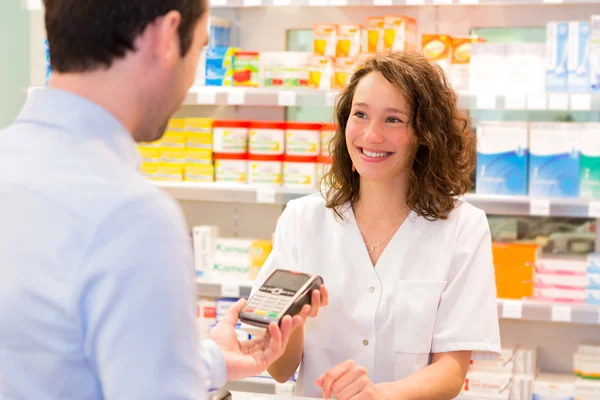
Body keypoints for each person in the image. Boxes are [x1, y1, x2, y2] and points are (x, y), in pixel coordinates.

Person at [0, 0, 319, 399]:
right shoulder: (131, 215)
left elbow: (58, 356)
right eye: (201, 48)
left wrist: (209, 360)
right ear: (167, 37)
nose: (190, 78)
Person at [251, 52, 502, 400]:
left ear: (425, 134)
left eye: (394, 120)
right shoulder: (302, 220)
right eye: (361, 114)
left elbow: (451, 371)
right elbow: (280, 371)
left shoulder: (462, 228)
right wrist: (293, 321)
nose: (371, 134)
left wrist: (379, 395)